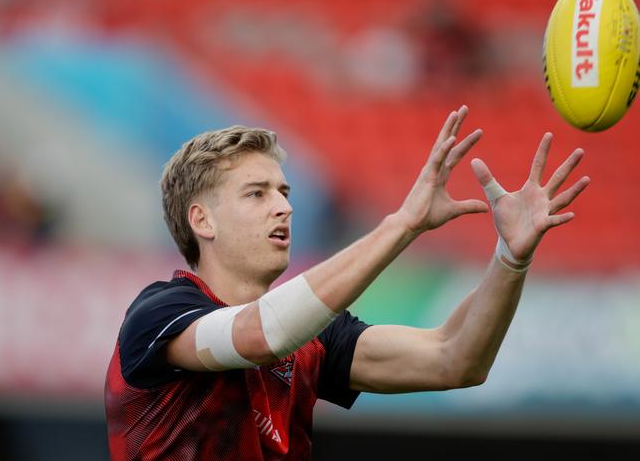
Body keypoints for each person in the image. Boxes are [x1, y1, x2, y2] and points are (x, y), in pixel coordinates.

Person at [104, 106, 589, 460]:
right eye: (257, 193)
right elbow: (259, 336)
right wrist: (403, 225)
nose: (284, 206)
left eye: (284, 191)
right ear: (202, 221)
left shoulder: (311, 337)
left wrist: (510, 257)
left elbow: (454, 358)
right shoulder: (158, 316)